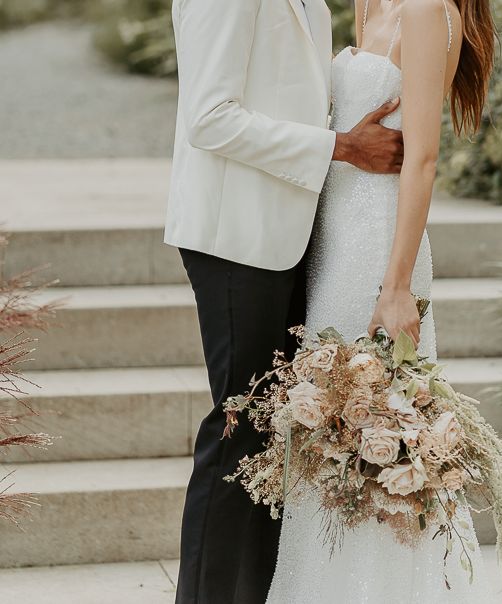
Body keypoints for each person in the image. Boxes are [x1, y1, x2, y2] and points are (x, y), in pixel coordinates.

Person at [164, 1, 405, 603]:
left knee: (274, 437)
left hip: (290, 230)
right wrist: (342, 146)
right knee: (237, 427)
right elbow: (210, 119)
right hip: (235, 236)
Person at [266, 0, 498, 601]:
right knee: (326, 437)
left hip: (380, 252)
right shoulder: (367, 4)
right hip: (330, 245)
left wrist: (395, 288)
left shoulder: (426, 13)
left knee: (384, 444)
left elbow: (420, 159)